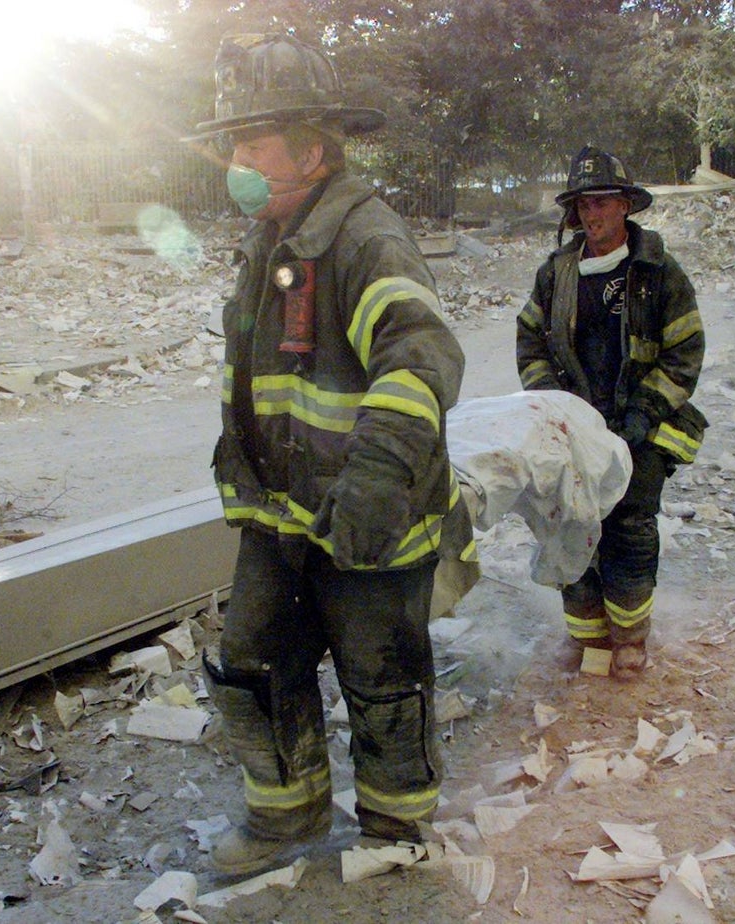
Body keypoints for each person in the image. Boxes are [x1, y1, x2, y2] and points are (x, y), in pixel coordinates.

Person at [191, 33, 475, 876]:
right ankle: (287, 818)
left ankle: (394, 834)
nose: (235, 161)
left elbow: (422, 356)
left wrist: (378, 479)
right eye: (229, 143)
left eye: (253, 142)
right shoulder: (272, 239)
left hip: (368, 516)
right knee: (255, 661)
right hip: (282, 515)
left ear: (310, 149)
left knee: (381, 680)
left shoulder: (364, 238)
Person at [516, 145, 707, 678]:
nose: (592, 214)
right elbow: (529, 340)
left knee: (629, 529)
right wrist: (552, 403)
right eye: (583, 205)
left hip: (639, 431)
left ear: (625, 205)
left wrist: (644, 413)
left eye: (601, 202)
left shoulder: (658, 273)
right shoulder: (556, 274)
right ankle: (586, 636)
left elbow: (685, 352)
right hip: (573, 431)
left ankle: (629, 638)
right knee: (570, 523)